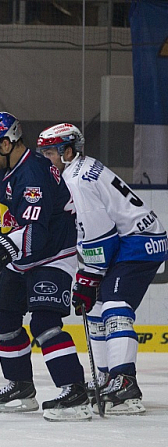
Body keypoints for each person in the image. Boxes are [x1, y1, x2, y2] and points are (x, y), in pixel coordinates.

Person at [37, 123, 168, 415]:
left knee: (115, 306)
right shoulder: (80, 169)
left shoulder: (78, 178)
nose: (46, 159)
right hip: (129, 240)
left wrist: (86, 278)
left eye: (50, 153)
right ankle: (107, 379)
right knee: (95, 308)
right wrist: (89, 280)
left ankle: (124, 383)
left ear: (67, 151)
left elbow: (101, 236)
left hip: (139, 242)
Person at [0, 111, 91, 422]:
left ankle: (75, 390)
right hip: (26, 255)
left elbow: (36, 233)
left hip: (53, 253)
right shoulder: (3, 172)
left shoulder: (33, 172)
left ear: (7, 141)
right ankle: (21, 387)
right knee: (4, 320)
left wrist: (3, 249)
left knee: (44, 323)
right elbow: (12, 221)